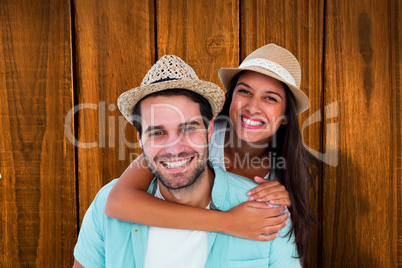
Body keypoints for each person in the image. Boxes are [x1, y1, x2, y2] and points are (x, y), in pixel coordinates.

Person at [73, 55, 299, 267]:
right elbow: (117, 201)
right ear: (140, 140)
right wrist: (227, 222)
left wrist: (283, 200)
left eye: (189, 129)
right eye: (157, 133)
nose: (174, 147)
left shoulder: (278, 189)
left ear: (207, 130)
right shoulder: (109, 203)